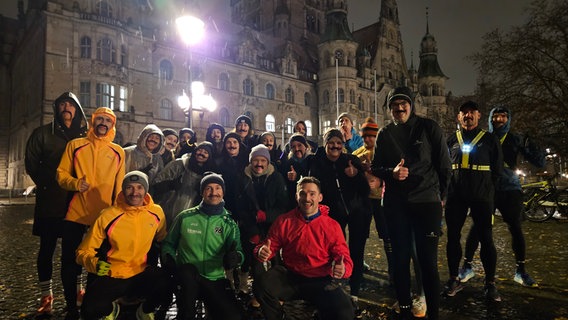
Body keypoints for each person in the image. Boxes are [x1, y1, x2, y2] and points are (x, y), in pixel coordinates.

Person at [370, 87, 451, 320]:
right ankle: (405, 310)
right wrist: (391, 173)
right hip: (396, 205)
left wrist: (441, 197)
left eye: (402, 103)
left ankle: (433, 314)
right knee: (400, 259)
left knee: (427, 262)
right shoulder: (385, 134)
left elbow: (444, 166)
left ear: (411, 105)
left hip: (426, 202)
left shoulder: (429, 128)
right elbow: (376, 168)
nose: (398, 107)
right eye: (394, 104)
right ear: (390, 109)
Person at [458, 106, 545, 287]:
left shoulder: (515, 138)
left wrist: (533, 146)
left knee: (515, 228)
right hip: (487, 189)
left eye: (503, 117)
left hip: (509, 188)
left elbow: (539, 162)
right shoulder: (483, 138)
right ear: (490, 119)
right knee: (477, 228)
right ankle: (466, 266)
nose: (498, 120)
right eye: (495, 117)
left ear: (508, 119)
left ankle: (521, 271)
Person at [56, 106, 125, 319]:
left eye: (108, 121)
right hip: (76, 213)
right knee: (70, 261)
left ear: (112, 126)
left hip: (103, 216)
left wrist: (117, 213)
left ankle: (91, 303)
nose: (103, 123)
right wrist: (75, 183)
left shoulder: (118, 151)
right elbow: (60, 174)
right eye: (100, 119)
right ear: (93, 121)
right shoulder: (75, 145)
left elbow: (119, 185)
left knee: (99, 262)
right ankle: (71, 305)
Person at [252, 176, 355, 320]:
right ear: (296, 196)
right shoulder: (285, 220)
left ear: (320, 197)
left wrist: (342, 268)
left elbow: (343, 256)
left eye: (312, 194)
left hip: (320, 280)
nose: (307, 198)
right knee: (261, 286)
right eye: (302, 193)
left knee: (345, 312)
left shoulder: (331, 226)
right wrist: (262, 251)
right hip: (290, 276)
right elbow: (268, 245)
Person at [25, 92, 88, 315]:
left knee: (76, 251)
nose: (66, 107)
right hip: (51, 202)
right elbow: (32, 164)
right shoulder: (42, 134)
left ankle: (78, 290)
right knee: (47, 249)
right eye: (62, 104)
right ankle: (46, 295)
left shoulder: (85, 135)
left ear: (77, 109)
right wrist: (49, 185)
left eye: (70, 104)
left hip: (77, 203)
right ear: (56, 109)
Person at [76, 171, 168, 320]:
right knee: (89, 310)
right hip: (115, 273)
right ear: (123, 190)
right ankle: (113, 308)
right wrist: (95, 264)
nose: (134, 193)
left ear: (146, 190)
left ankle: (144, 310)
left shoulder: (157, 212)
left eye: (139, 187)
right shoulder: (108, 215)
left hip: (142, 271)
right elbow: (82, 251)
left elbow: (163, 240)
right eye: (129, 188)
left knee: (166, 282)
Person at [161, 173, 244, 320]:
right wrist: (168, 258)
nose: (214, 193)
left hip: (214, 279)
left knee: (234, 316)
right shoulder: (185, 217)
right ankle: (186, 314)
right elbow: (169, 244)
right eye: (208, 188)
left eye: (218, 188)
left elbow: (238, 251)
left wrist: (236, 258)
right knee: (188, 271)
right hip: (187, 279)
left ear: (223, 192)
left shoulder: (229, 223)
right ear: (202, 192)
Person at [306, 128, 370, 314]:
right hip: (333, 216)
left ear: (343, 145)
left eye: (338, 143)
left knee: (356, 252)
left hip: (357, 213)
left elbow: (365, 190)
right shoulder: (317, 163)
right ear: (325, 144)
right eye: (331, 143)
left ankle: (355, 292)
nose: (335, 146)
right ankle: (337, 287)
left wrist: (356, 175)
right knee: (335, 253)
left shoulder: (351, 161)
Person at [444, 101, 503, 302]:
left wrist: (488, 191)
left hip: (482, 197)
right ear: (458, 117)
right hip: (456, 197)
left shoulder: (490, 139)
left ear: (478, 115)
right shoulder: (451, 139)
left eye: (471, 113)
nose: (468, 116)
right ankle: (453, 278)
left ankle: (490, 284)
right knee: (453, 238)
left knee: (486, 239)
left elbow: (497, 171)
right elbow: (443, 168)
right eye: (464, 113)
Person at [237, 144, 289, 303]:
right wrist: (252, 230)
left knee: (275, 261)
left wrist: (267, 216)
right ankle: (259, 294)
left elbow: (283, 206)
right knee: (255, 260)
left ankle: (277, 291)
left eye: (262, 160)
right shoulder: (243, 178)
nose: (259, 164)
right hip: (251, 226)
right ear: (250, 161)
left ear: (268, 162)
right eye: (255, 160)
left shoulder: (276, 178)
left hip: (272, 226)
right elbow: (240, 207)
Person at [352, 117, 394, 283]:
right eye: (364, 136)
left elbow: (391, 173)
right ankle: (358, 266)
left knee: (386, 235)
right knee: (361, 235)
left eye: (371, 136)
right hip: (363, 200)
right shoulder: (356, 155)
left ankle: (393, 269)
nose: (367, 139)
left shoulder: (385, 153)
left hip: (382, 200)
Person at [152, 141, 217, 226]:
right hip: (166, 212)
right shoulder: (179, 164)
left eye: (206, 152)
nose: (201, 153)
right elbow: (156, 182)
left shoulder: (208, 174)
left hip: (190, 220)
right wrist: (170, 185)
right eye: (199, 150)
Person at [281, 133, 312, 209]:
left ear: (306, 146)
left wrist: (297, 177)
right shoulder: (288, 164)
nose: (297, 149)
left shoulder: (313, 160)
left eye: (299, 145)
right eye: (293, 147)